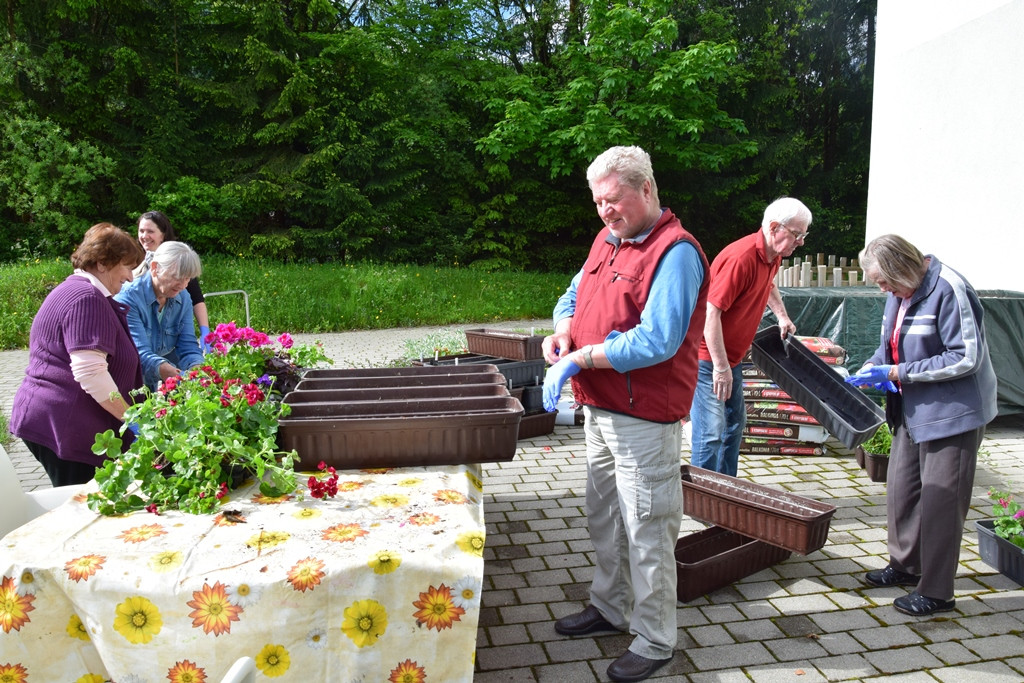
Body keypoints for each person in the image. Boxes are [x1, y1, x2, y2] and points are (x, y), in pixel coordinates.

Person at [540, 145, 709, 683]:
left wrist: (582, 358)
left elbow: (658, 340)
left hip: (645, 419)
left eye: (614, 200)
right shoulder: (606, 240)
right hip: (600, 409)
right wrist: (563, 330)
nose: (605, 212)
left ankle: (656, 639)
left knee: (648, 529)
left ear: (647, 189)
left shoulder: (675, 252)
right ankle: (610, 607)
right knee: (605, 518)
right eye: (598, 203)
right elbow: (572, 295)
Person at [846, 234, 997, 616]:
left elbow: (967, 357)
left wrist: (900, 372)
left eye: (884, 281)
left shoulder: (950, 289)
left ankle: (937, 591)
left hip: (952, 415)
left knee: (941, 501)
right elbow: (890, 344)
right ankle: (906, 566)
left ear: (903, 268)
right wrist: (873, 366)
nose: (882, 289)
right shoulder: (900, 290)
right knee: (903, 490)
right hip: (910, 410)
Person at [9, 223, 145, 486]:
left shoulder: (78, 290)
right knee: (81, 509)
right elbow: (91, 373)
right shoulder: (86, 298)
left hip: (55, 420)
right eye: (127, 266)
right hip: (65, 425)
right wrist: (131, 418)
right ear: (103, 263)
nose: (130, 277)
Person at [689, 197, 812, 476]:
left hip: (731, 358)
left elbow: (768, 286)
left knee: (734, 425)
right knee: (711, 432)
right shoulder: (740, 258)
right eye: (797, 234)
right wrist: (720, 368)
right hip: (707, 359)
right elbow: (710, 313)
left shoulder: (773, 255)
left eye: (804, 235)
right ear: (773, 228)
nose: (801, 241)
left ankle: (728, 489)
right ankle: (703, 497)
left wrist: (782, 316)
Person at [116, 240, 205, 390]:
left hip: (159, 379)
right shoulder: (128, 298)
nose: (183, 285)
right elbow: (139, 353)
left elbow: (188, 345)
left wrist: (197, 368)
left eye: (187, 278)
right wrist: (166, 370)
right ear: (155, 268)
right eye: (177, 277)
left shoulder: (183, 298)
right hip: (128, 383)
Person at [134, 210, 212, 351]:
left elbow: (196, 299)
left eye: (150, 231)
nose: (145, 236)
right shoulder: (133, 259)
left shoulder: (181, 259)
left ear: (162, 234)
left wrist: (204, 330)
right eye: (141, 231)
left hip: (168, 339)